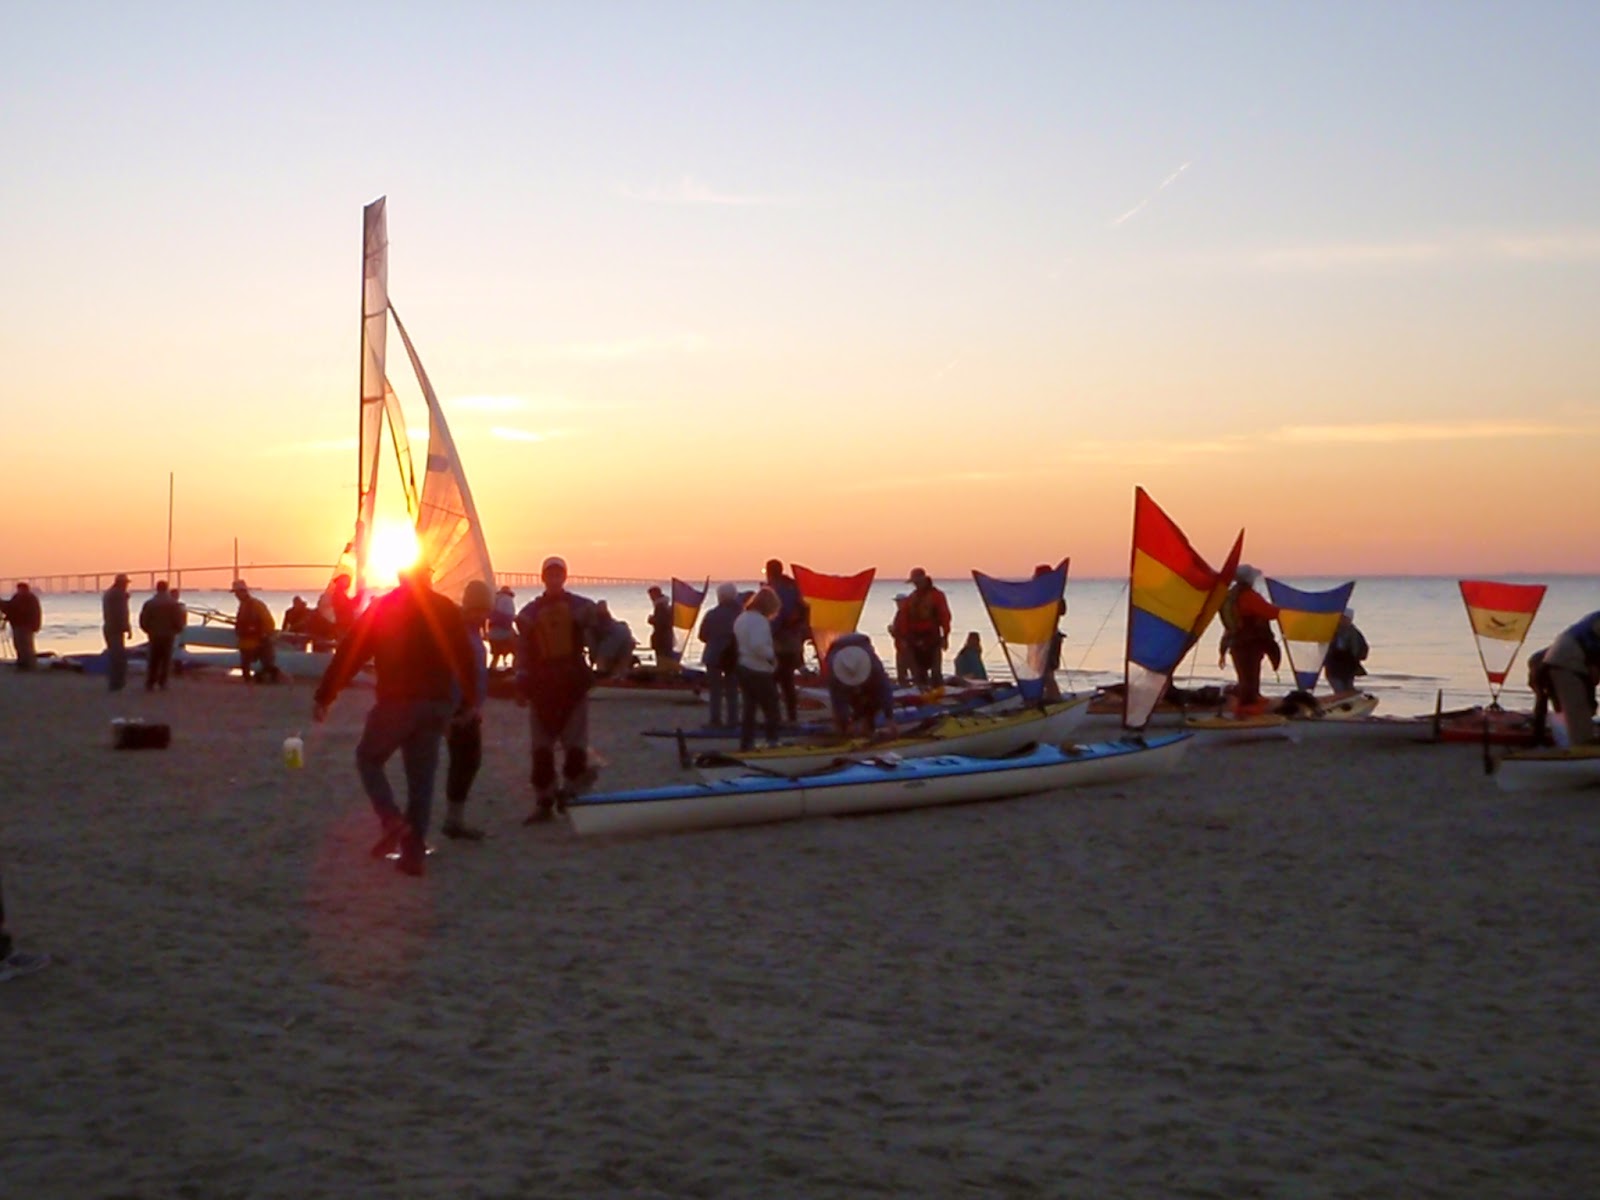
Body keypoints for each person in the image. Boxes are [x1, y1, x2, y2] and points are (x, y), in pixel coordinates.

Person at [312, 565, 480, 876]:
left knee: (368, 758)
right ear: (428, 577)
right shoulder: (446, 609)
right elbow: (465, 657)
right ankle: (413, 854)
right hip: (436, 704)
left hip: (397, 701)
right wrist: (468, 703)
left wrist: (326, 695)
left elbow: (352, 652)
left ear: (401, 579)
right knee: (422, 778)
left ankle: (391, 820)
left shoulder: (384, 608)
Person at [515, 556, 602, 822]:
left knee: (575, 747)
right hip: (542, 688)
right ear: (543, 578)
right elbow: (523, 650)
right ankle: (544, 801)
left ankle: (571, 794)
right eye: (549, 575)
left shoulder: (580, 607)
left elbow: (600, 629)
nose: (553, 579)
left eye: (558, 575)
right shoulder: (530, 612)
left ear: (564, 577)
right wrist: (521, 682)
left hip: (572, 685)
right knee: (541, 749)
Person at [442, 580, 493, 841]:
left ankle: (454, 819)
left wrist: (477, 707)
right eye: (478, 609)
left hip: (471, 709)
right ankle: (453, 821)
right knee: (465, 762)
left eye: (485, 610)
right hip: (460, 710)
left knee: (469, 762)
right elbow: (454, 675)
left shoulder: (474, 633)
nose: (482, 615)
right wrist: (456, 712)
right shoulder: (461, 634)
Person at [1218, 564, 1282, 714]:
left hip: (1236, 643)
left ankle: (1249, 702)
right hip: (1250, 644)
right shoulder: (1248, 595)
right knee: (1250, 677)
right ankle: (1247, 709)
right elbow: (1270, 613)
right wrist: (1285, 608)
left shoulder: (1231, 595)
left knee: (1245, 676)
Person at [1536, 610, 1600, 746]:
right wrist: (1592, 663)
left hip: (1564, 658)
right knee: (1577, 711)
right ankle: (1581, 749)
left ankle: (1579, 742)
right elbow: (1589, 638)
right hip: (1568, 661)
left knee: (1585, 708)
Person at [734, 586, 782, 750]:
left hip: (743, 665)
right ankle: (772, 741)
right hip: (758, 669)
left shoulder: (742, 618)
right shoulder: (759, 621)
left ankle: (746, 742)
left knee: (749, 708)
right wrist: (772, 657)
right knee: (771, 708)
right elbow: (758, 646)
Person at [825, 633, 899, 738]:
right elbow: (838, 699)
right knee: (847, 700)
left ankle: (867, 724)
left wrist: (889, 718)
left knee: (873, 696)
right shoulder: (834, 671)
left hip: (862, 650)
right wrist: (844, 722)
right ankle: (851, 725)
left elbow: (884, 690)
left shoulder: (873, 666)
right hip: (837, 653)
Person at [764, 559, 809, 722]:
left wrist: (766, 635)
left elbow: (777, 616)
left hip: (779, 643)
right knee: (787, 681)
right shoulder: (794, 587)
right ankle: (791, 716)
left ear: (770, 572)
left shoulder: (776, 590)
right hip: (794, 641)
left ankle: (775, 717)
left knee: (773, 681)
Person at [697, 582, 743, 727]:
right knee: (732, 690)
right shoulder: (740, 615)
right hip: (733, 655)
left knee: (715, 691)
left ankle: (715, 720)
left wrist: (714, 640)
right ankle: (732, 720)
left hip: (713, 654)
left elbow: (702, 635)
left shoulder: (711, 614)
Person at [903, 567, 952, 689]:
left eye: (917, 581)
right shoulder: (911, 598)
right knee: (918, 673)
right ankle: (921, 693)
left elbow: (945, 617)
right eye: (914, 582)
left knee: (935, 672)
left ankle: (938, 692)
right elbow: (904, 620)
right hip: (914, 639)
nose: (916, 584)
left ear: (924, 580)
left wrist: (945, 636)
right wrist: (904, 638)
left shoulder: (937, 596)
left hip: (932, 638)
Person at [137, 581, 185, 691]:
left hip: (154, 634)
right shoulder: (173, 603)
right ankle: (163, 683)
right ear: (166, 588)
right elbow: (178, 619)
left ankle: (150, 682)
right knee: (166, 660)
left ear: (157, 588)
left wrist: (148, 630)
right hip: (168, 634)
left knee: (153, 659)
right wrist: (178, 629)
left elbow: (143, 620)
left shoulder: (149, 603)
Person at [231, 580, 279, 683]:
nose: (236, 595)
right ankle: (251, 679)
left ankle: (266, 678)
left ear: (243, 591)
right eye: (235, 593)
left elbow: (269, 622)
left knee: (266, 663)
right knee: (246, 666)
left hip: (256, 641)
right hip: (246, 642)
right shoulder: (243, 605)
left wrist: (263, 635)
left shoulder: (256, 604)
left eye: (237, 592)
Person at [1034, 563, 1066, 702]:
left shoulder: (1052, 595)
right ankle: (1048, 695)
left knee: (1046, 671)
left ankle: (1054, 697)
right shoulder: (1049, 594)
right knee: (1041, 670)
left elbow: (1062, 610)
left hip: (1050, 637)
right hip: (1042, 637)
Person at [1324, 608, 1369, 695]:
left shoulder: (1354, 633)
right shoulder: (1331, 631)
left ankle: (1350, 705)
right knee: (1339, 690)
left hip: (1348, 667)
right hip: (1333, 666)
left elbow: (1363, 647)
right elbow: (1323, 647)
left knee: (1348, 689)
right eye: (1342, 618)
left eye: (1345, 618)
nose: (1343, 620)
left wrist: (1359, 656)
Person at [588, 600, 637, 678]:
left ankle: (606, 681)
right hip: (624, 632)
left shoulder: (591, 625)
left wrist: (593, 657)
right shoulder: (604, 619)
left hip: (612, 635)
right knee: (622, 665)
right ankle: (618, 679)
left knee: (603, 662)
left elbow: (593, 646)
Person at [102, 574, 131, 692]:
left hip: (109, 627)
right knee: (118, 657)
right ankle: (117, 683)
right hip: (116, 629)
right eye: (126, 583)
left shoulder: (109, 594)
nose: (127, 586)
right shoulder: (118, 596)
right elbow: (122, 614)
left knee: (115, 657)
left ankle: (115, 682)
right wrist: (127, 628)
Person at [4, 583, 41, 671]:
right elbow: (11, 607)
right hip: (17, 625)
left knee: (26, 646)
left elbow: (16, 609)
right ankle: (22, 663)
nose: (19, 591)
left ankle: (29, 665)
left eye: (20, 589)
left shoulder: (30, 598)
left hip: (26, 626)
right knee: (18, 645)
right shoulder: (17, 597)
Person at [646, 585, 678, 669]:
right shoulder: (666, 606)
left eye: (651, 595)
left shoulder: (660, 606)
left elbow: (661, 623)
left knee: (662, 662)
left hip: (661, 639)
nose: (651, 598)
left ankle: (664, 677)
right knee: (666, 660)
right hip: (666, 638)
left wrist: (651, 620)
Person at [487, 586, 517, 669]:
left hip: (492, 635)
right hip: (504, 634)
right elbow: (508, 620)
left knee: (495, 656)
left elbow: (491, 617)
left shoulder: (494, 601)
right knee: (517, 651)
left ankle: (492, 672)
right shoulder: (508, 600)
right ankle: (515, 670)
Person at [888, 594, 914, 686]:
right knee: (902, 672)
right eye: (897, 602)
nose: (898, 604)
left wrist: (894, 631)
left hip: (908, 647)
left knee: (912, 670)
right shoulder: (900, 613)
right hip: (901, 647)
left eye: (899, 601)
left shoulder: (907, 613)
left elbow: (905, 631)